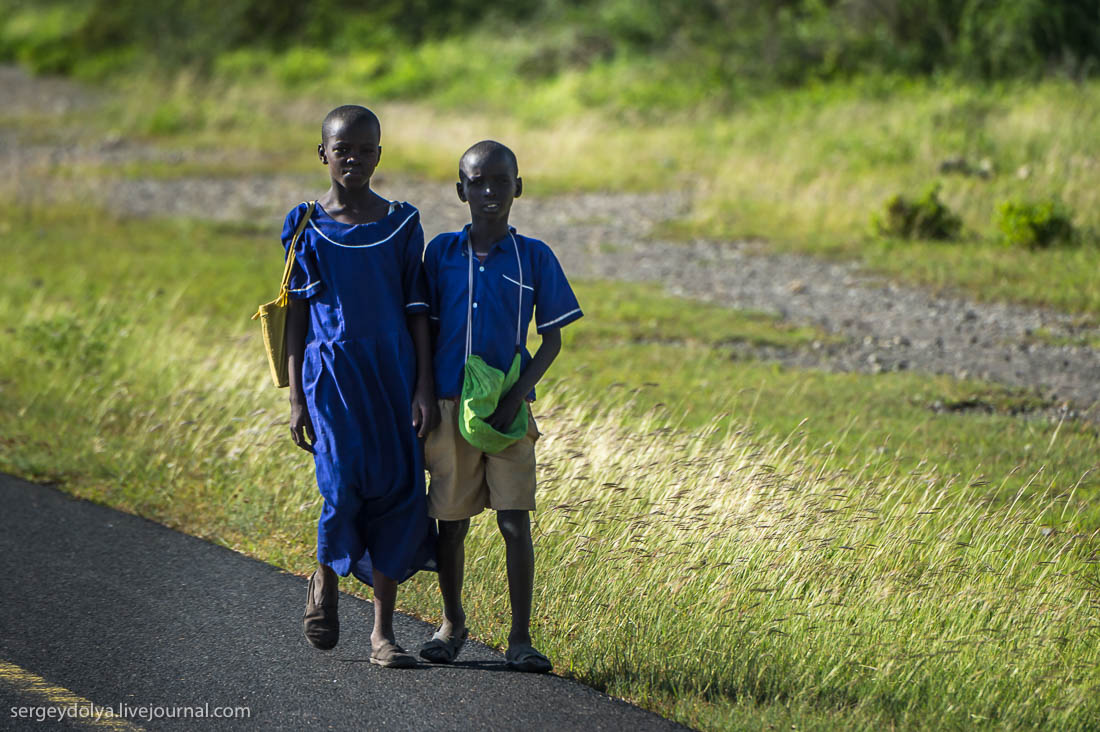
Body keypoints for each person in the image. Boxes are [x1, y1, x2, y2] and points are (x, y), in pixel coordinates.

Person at [283, 105, 438, 668]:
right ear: (322, 153)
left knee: (398, 495)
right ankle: (324, 574)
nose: (353, 158)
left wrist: (422, 385)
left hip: (392, 374)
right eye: (341, 148)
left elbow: (418, 309)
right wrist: (296, 395)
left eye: (365, 149)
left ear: (380, 152)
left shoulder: (402, 222)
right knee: (342, 484)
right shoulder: (305, 224)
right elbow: (295, 314)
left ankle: (382, 635)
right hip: (331, 377)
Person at [419, 140, 582, 673]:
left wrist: (516, 396)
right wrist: (420, 394)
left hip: (509, 413)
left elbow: (552, 339)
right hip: (449, 406)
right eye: (478, 182)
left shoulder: (533, 256)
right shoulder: (441, 253)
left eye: (501, 182)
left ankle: (520, 637)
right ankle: (451, 623)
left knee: (514, 522)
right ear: (460, 189)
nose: (490, 192)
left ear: (519, 187)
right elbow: (422, 329)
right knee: (452, 522)